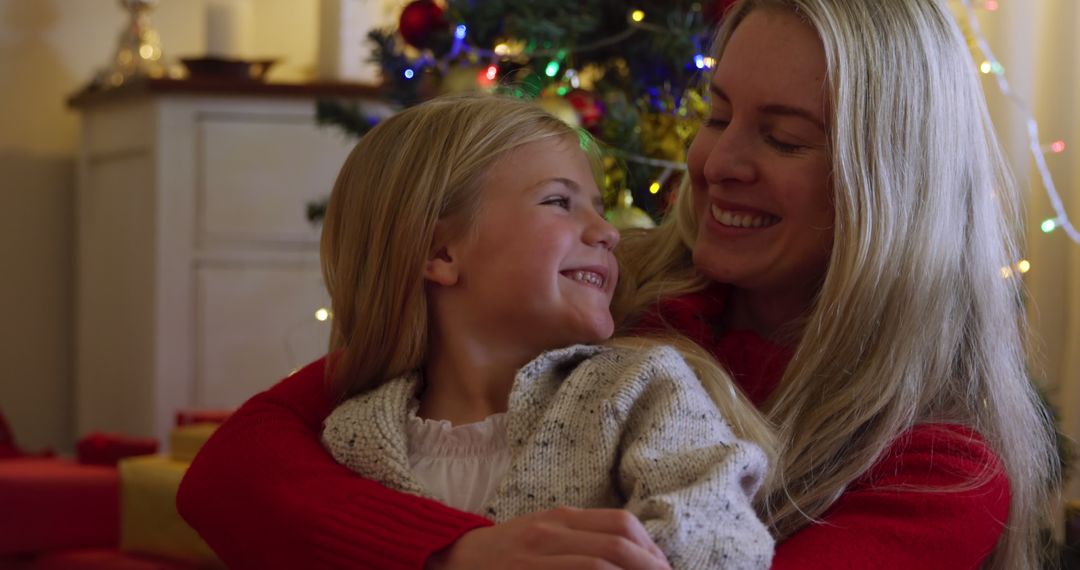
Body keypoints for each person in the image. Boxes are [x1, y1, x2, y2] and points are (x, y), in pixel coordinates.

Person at [177, 0, 1060, 568]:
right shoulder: (597, 292)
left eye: (782, 139)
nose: (716, 164)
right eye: (717, 116)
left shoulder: (942, 467)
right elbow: (235, 471)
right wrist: (460, 556)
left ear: (890, 182)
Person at [315, 92, 776, 569]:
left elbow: (725, 543)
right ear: (441, 254)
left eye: (599, 207)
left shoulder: (639, 388)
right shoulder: (351, 437)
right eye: (559, 201)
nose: (608, 231)